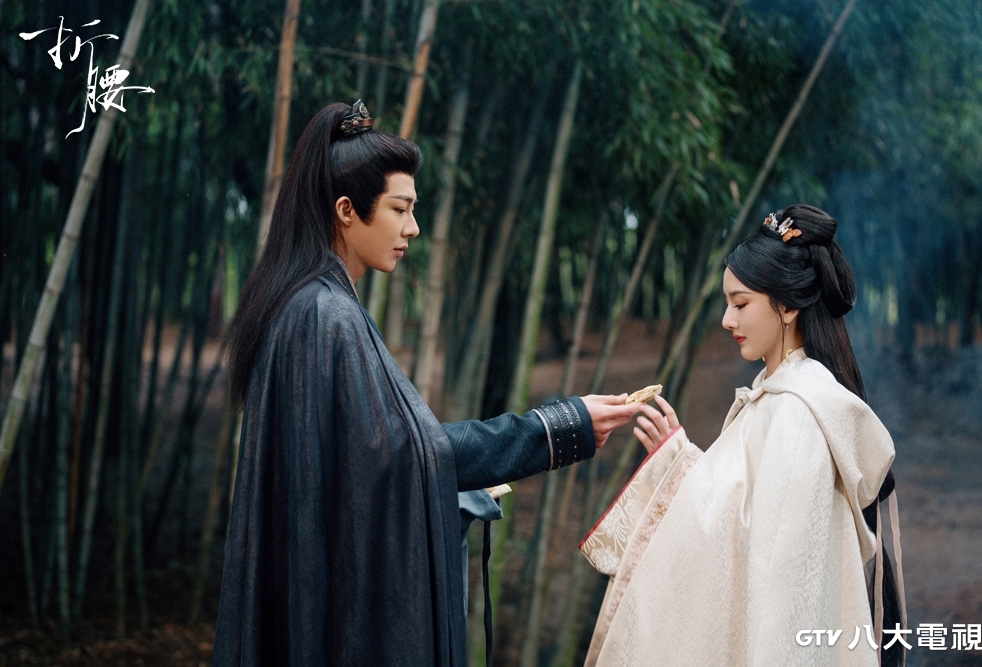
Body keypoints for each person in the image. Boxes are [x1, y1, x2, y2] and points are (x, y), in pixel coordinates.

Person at [212, 100, 642, 667]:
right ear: (346, 210)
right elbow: (403, 456)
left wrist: (454, 490)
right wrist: (560, 427)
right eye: (400, 209)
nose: (413, 228)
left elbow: (368, 469)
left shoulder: (308, 303)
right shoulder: (325, 315)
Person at [580, 205, 905, 666]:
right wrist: (680, 464)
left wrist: (679, 476)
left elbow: (781, 577)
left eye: (740, 303)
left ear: (788, 306)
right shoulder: (778, 397)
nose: (726, 320)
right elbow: (751, 518)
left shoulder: (799, 414)